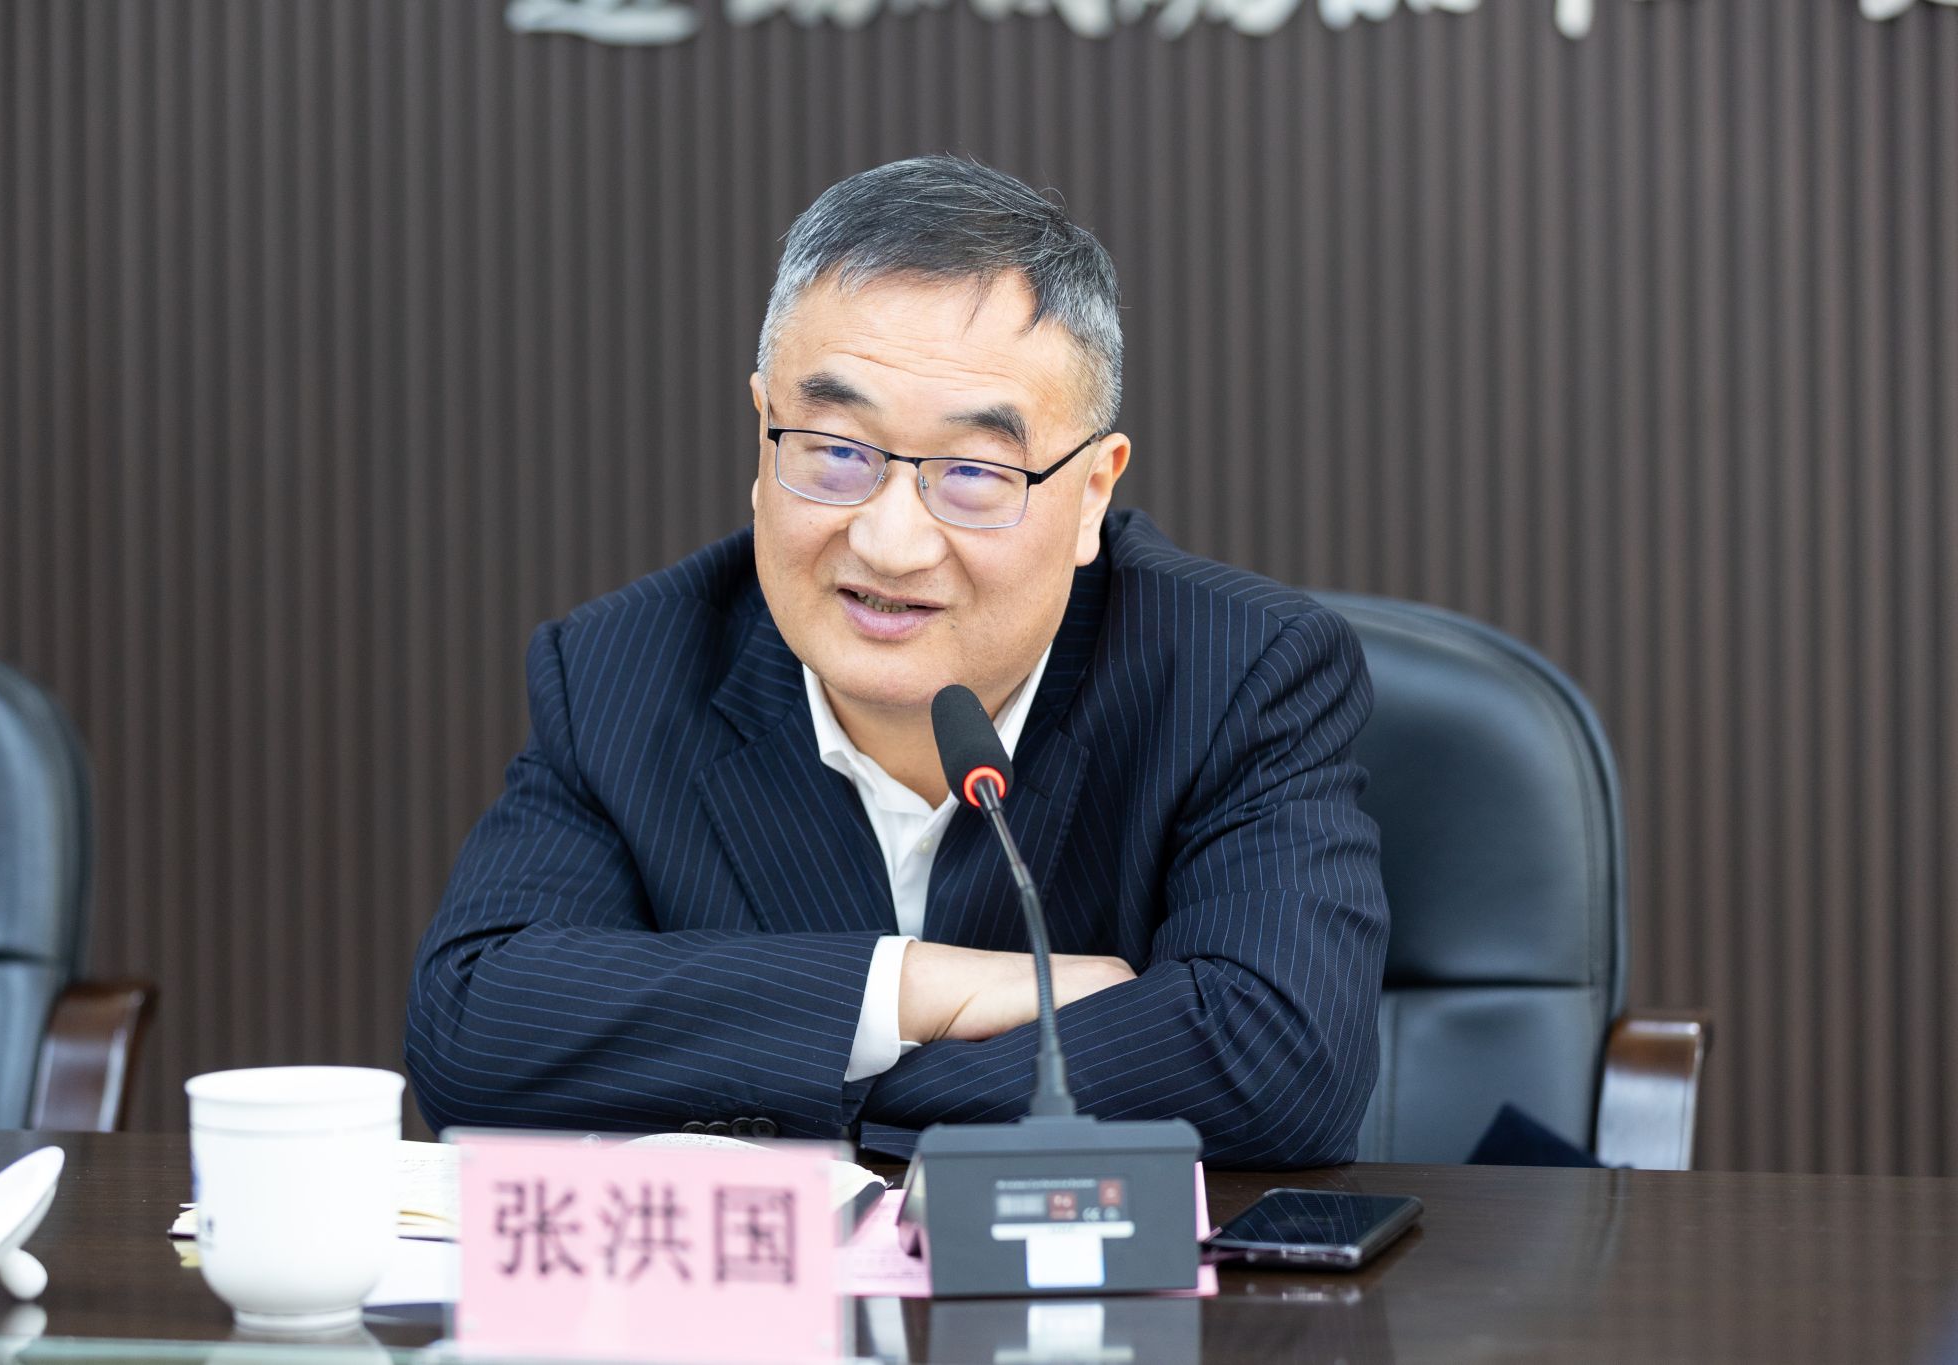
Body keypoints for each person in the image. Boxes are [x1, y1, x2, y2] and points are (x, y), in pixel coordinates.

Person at [406, 156, 1388, 1168]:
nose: (888, 542)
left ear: (1092, 492)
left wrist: (813, 1079)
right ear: (762, 437)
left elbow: (1279, 1063)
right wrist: (907, 992)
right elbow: (475, 1027)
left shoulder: (1237, 674)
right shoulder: (623, 670)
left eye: (973, 472)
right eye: (836, 451)